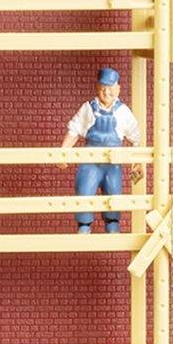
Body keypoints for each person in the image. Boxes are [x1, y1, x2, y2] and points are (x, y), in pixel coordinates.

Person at [60, 66, 142, 234]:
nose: (107, 92)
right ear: (97, 87)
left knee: (113, 196)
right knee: (84, 193)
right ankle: (83, 228)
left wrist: (137, 162)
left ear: (118, 89)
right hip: (90, 162)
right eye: (103, 87)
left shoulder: (123, 112)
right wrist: (63, 153)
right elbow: (74, 130)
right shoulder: (88, 108)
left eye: (111, 87)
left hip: (113, 164)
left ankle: (113, 227)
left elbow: (135, 137)